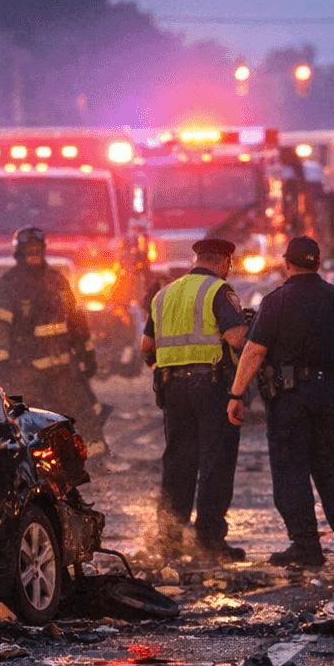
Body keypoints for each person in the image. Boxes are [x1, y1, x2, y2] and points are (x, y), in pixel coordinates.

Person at [226, 236, 334, 569]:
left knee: (291, 470)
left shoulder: (277, 301)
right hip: (328, 396)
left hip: (290, 399)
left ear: (288, 264)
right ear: (318, 263)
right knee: (327, 469)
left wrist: (237, 395)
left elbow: (254, 350)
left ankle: (306, 546)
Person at [141, 236, 249, 563]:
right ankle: (210, 542)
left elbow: (147, 349)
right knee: (215, 463)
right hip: (212, 387)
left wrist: (168, 370)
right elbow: (236, 338)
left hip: (173, 388)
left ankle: (169, 541)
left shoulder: (164, 294)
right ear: (223, 261)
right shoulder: (219, 291)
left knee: (178, 463)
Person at [0, 226, 108, 458]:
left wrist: (87, 352)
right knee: (35, 422)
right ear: (19, 254)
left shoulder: (57, 280)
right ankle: (44, 468)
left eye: (37, 250)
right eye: (28, 251)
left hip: (63, 368)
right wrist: (3, 362)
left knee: (84, 415)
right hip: (27, 371)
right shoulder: (9, 285)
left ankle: (96, 464)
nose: (33, 255)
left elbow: (75, 320)